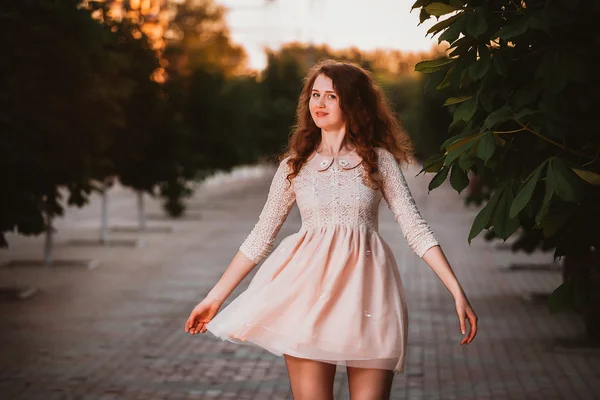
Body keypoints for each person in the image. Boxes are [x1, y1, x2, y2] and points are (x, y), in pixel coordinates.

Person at [185, 59, 478, 400]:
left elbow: (415, 227)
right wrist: (214, 298)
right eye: (315, 95)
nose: (319, 104)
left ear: (353, 104)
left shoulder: (379, 161)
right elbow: (260, 237)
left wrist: (456, 290)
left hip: (369, 296)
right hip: (307, 297)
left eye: (332, 96)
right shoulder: (294, 167)